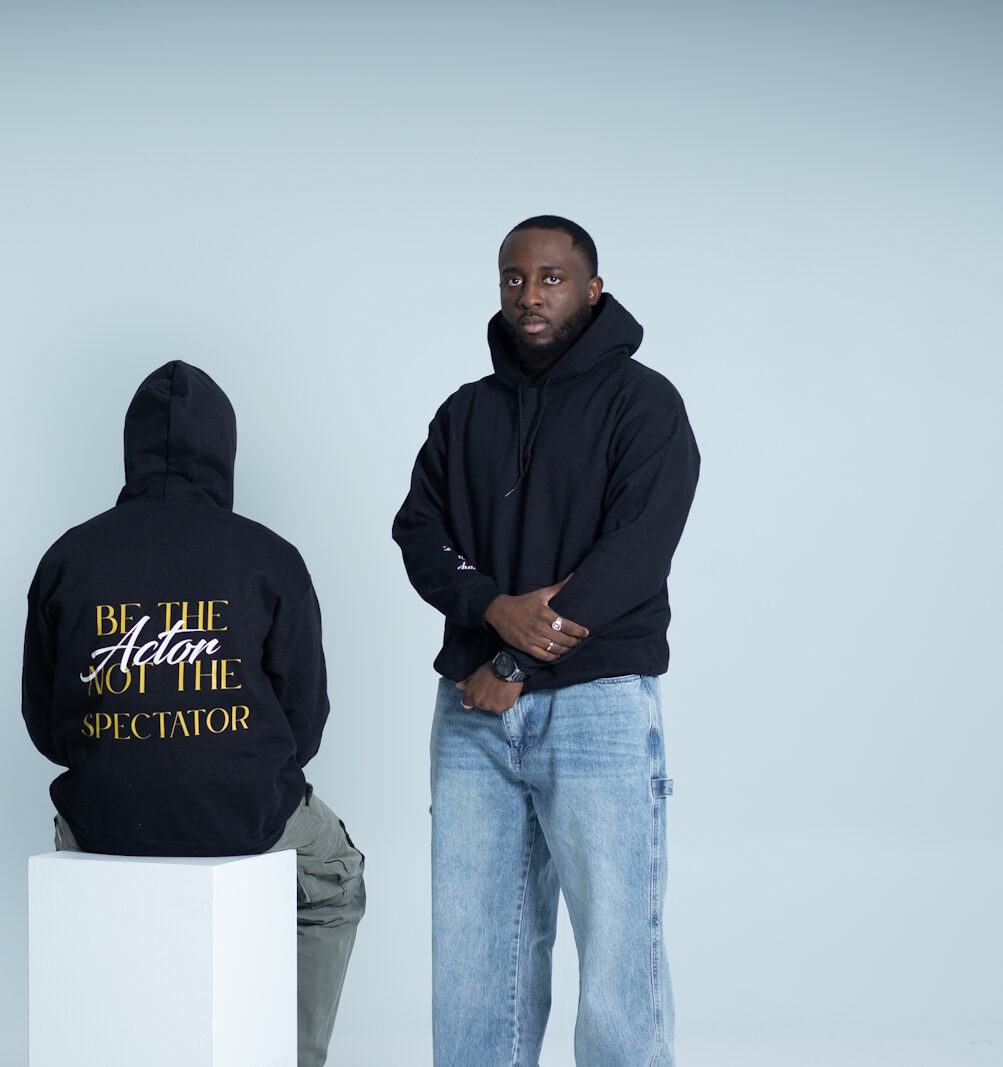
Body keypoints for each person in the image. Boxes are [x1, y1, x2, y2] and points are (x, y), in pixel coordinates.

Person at [393, 215, 700, 1066]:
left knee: (618, 961)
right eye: (513, 278)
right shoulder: (465, 412)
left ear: (592, 289)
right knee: (474, 959)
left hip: (597, 708)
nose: (529, 295)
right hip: (472, 717)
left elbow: (632, 554)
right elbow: (419, 532)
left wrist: (516, 659)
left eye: (551, 278)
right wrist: (492, 609)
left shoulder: (644, 403)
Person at [22, 360, 364, 1067]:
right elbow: (305, 724)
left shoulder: (67, 557)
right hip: (244, 814)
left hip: (101, 818)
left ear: (132, 449)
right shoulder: (270, 557)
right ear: (225, 450)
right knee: (335, 880)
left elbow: (43, 723)